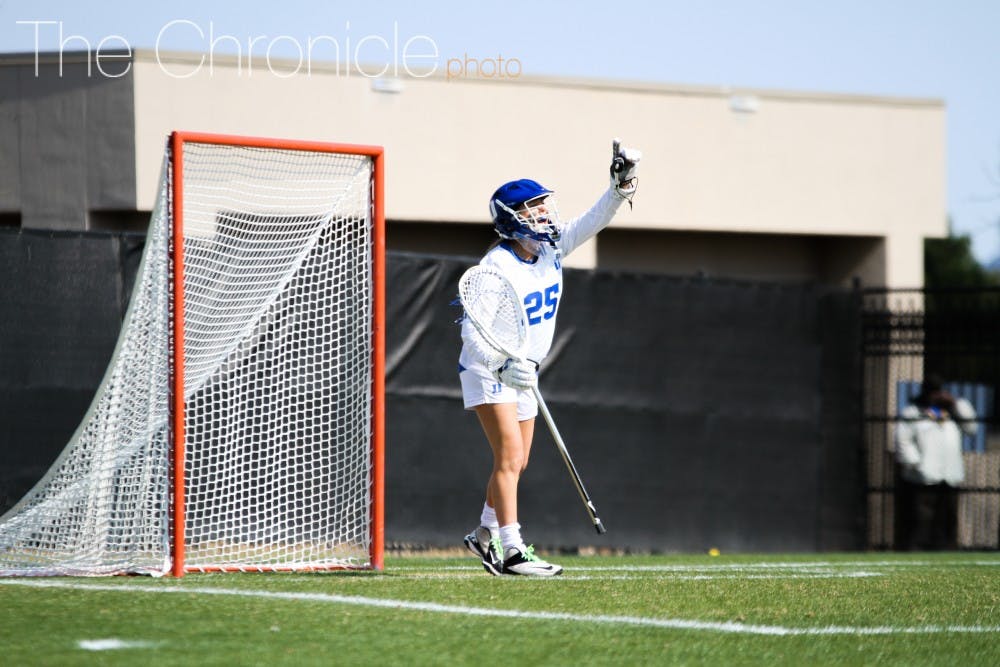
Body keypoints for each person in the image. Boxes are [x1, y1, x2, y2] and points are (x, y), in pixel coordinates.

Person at [458, 140, 641, 576]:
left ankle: (481, 534)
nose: (544, 214)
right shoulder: (495, 268)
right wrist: (503, 365)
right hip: (490, 369)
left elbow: (594, 220)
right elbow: (471, 332)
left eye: (544, 206)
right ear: (511, 217)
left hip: (525, 373)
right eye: (533, 208)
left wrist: (620, 187)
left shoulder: (550, 250)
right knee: (508, 456)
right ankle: (513, 550)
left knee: (519, 461)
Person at [893, 373, 978, 550]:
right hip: (923, 476)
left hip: (949, 475)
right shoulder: (913, 411)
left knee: (947, 518)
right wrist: (916, 464)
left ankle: (947, 549)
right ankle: (915, 550)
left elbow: (972, 427)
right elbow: (902, 440)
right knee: (921, 519)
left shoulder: (952, 411)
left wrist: (955, 404)